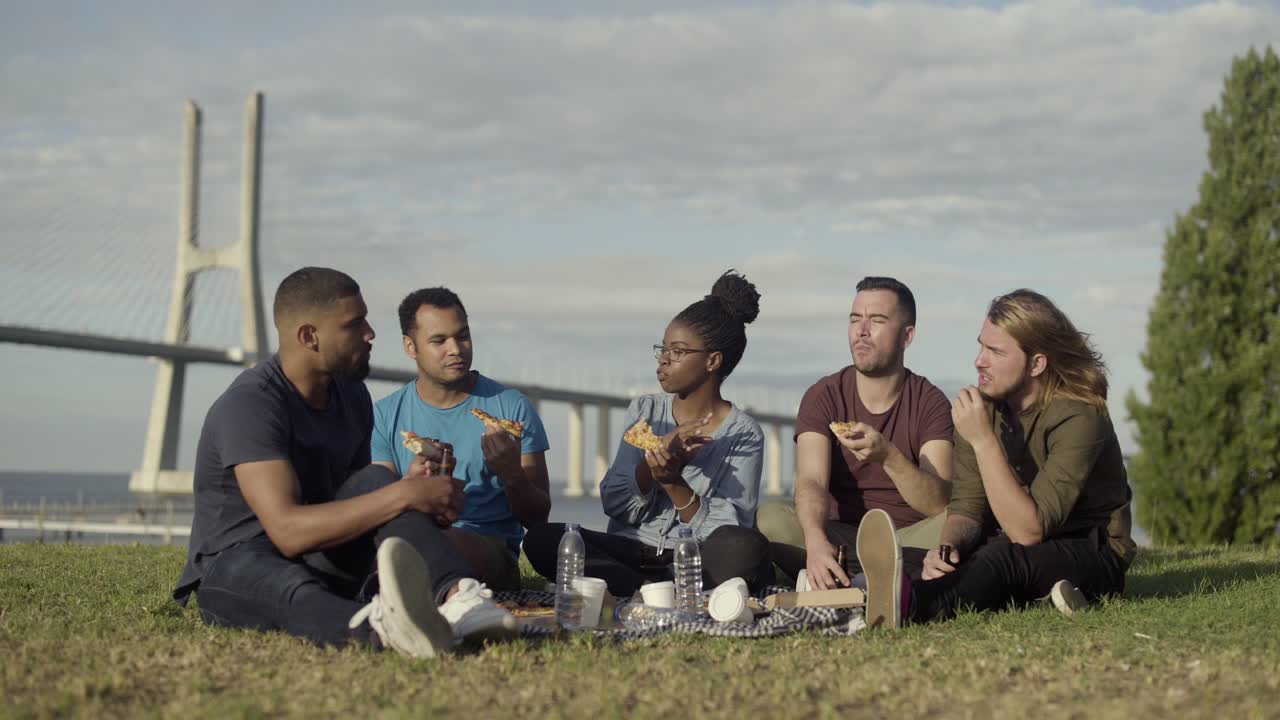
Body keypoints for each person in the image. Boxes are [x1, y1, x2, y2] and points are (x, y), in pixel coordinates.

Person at [173, 267, 517, 658]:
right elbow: (286, 531)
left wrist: (421, 497)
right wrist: (405, 496)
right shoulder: (251, 406)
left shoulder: (351, 395)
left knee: (377, 480)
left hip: (319, 554)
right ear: (309, 337)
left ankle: (459, 600)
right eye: (355, 325)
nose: (370, 333)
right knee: (291, 587)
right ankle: (379, 628)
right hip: (237, 566)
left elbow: (361, 503)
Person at [854, 289, 1136, 628]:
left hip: (1093, 551)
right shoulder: (983, 407)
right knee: (937, 557)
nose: (979, 360)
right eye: (980, 346)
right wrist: (946, 549)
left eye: (995, 351)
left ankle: (910, 606)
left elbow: (1029, 531)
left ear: (1036, 363)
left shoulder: (1079, 414)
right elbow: (967, 511)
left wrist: (984, 439)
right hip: (1023, 546)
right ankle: (858, 595)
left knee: (1004, 559)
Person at [523, 270, 773, 596]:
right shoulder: (645, 411)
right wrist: (648, 471)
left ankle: (631, 591)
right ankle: (652, 592)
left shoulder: (744, 433)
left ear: (712, 360)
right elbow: (614, 504)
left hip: (691, 558)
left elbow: (724, 530)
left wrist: (673, 481)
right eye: (663, 349)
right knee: (545, 540)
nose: (663, 361)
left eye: (678, 352)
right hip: (628, 551)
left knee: (744, 547)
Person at [757, 276, 954, 590]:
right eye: (855, 320)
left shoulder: (930, 402)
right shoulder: (824, 395)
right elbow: (811, 482)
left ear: (907, 336)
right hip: (839, 536)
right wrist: (817, 541)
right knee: (770, 518)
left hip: (907, 539)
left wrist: (889, 457)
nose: (862, 330)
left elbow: (937, 503)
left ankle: (865, 577)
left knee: (955, 522)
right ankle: (869, 575)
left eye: (877, 320)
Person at [370, 287, 550, 591]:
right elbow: (381, 507)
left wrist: (512, 474)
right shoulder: (386, 415)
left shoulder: (511, 408)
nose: (456, 349)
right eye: (439, 341)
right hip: (410, 538)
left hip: (487, 550)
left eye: (462, 336)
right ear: (410, 347)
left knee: (425, 545)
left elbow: (538, 519)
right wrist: (413, 487)